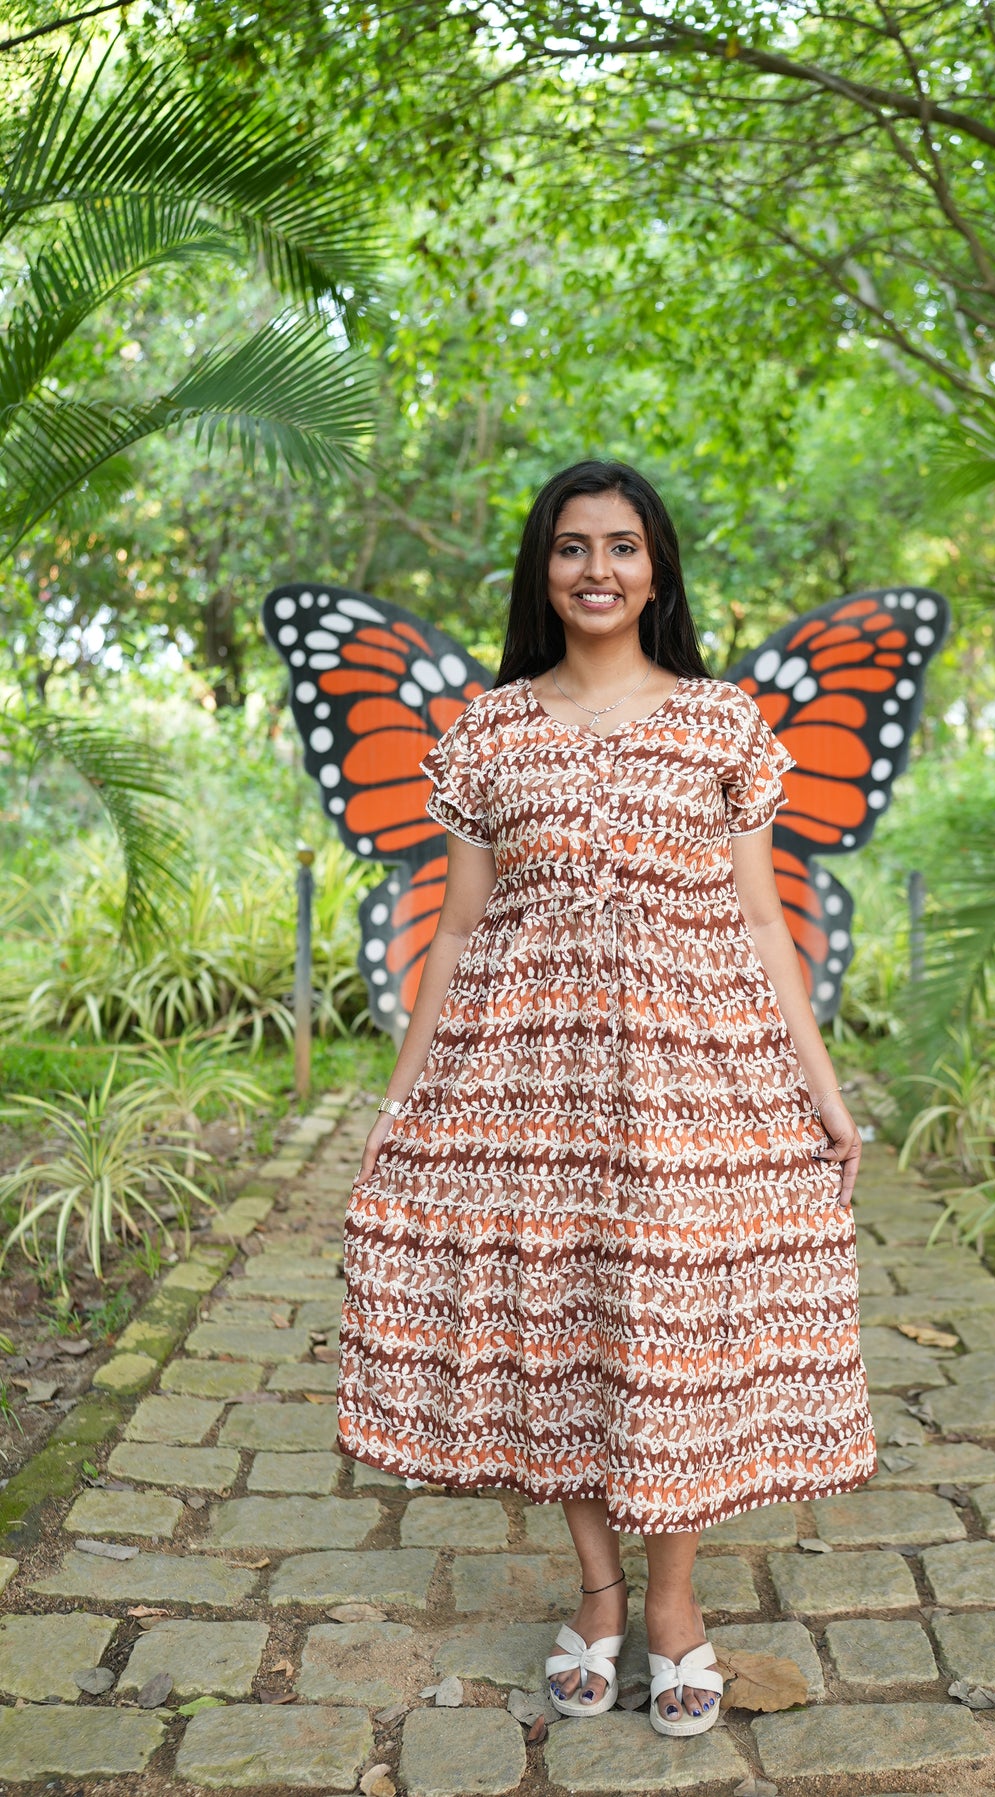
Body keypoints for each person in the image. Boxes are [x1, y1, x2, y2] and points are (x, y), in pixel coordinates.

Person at [338, 460, 875, 1739]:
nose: (596, 570)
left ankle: (677, 1605)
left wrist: (827, 1090)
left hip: (696, 1079)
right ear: (543, 570)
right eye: (572, 548)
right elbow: (459, 934)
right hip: (527, 1080)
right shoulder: (488, 732)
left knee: (674, 1333)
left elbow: (759, 919)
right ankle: (596, 1594)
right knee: (569, 1325)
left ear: (656, 569)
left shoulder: (723, 723)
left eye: (621, 547)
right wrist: (398, 1103)